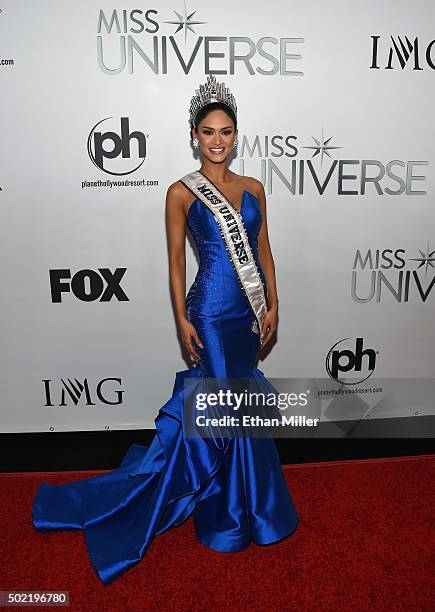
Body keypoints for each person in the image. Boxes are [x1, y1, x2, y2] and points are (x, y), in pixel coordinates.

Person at [32, 75, 299, 586]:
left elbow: (263, 251)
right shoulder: (181, 193)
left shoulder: (254, 188)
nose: (217, 140)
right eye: (207, 131)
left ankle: (255, 510)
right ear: (194, 136)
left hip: (247, 312)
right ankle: (227, 515)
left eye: (225, 131)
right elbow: (176, 261)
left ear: (236, 135)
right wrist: (181, 317)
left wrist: (274, 303)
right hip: (210, 312)